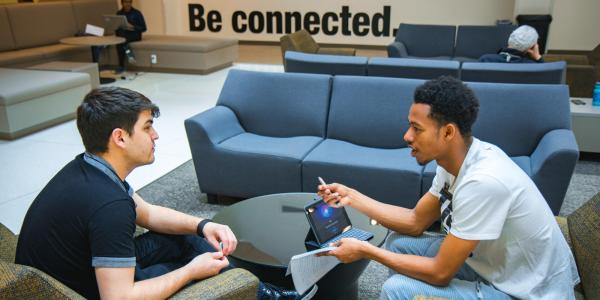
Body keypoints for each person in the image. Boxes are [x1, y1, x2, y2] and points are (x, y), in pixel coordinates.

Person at [15, 87, 311, 300]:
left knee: (191, 237)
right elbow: (118, 297)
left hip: (85, 267)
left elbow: (148, 214)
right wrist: (190, 272)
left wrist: (203, 225)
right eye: (147, 128)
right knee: (191, 266)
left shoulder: (89, 168)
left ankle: (261, 294)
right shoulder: (108, 205)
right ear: (120, 137)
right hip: (84, 289)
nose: (155, 135)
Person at [317, 76, 579, 299]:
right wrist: (351, 196)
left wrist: (367, 251)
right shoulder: (456, 161)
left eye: (417, 128)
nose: (407, 136)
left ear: (448, 133)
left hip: (526, 290)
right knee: (398, 243)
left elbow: (440, 273)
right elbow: (414, 221)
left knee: (396, 289)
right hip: (495, 264)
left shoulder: (483, 182)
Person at [479, 25, 544, 63]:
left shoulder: (486, 59)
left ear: (509, 39)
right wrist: (538, 57)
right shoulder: (532, 66)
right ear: (532, 47)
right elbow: (546, 77)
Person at [116, 0, 146, 72]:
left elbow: (144, 28)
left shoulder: (137, 13)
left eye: (129, 2)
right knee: (121, 40)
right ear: (122, 3)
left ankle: (121, 65)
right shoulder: (119, 13)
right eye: (125, 2)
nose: (127, 4)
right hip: (123, 35)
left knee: (122, 41)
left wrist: (132, 26)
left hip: (135, 35)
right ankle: (129, 55)